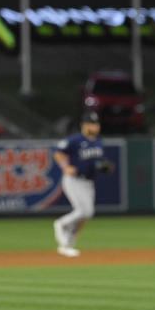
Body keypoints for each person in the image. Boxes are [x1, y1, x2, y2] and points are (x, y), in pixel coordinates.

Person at [52, 110, 113, 257]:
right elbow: (58, 152)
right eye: (91, 123)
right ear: (84, 125)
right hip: (74, 180)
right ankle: (61, 224)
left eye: (96, 123)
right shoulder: (75, 140)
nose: (95, 126)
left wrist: (103, 166)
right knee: (83, 211)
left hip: (88, 182)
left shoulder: (98, 141)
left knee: (87, 214)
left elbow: (97, 162)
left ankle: (68, 244)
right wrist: (65, 167)